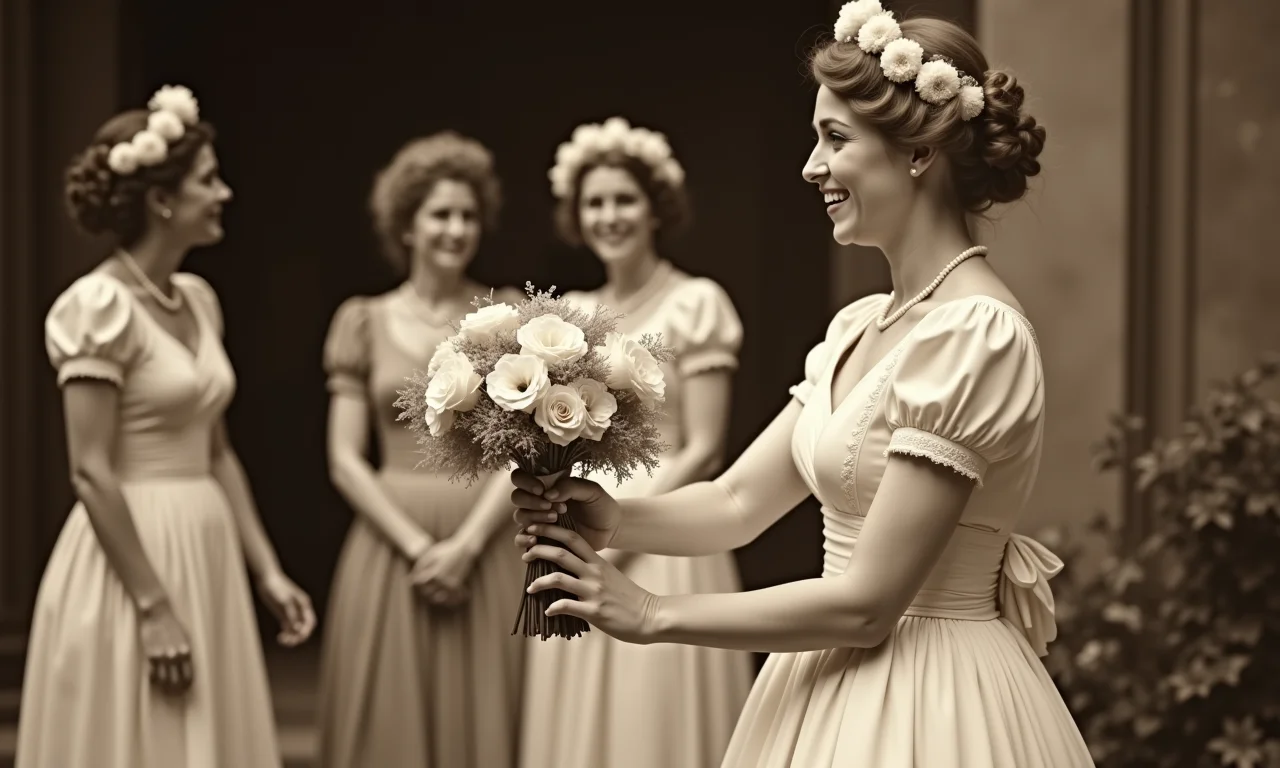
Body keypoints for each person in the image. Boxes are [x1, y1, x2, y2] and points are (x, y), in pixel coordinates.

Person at [512, 6, 1096, 767]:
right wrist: (613, 518)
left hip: (927, 699)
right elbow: (736, 503)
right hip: (821, 687)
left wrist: (654, 611)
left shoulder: (975, 335)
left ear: (918, 152)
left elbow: (865, 606)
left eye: (836, 139)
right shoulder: (858, 326)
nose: (810, 166)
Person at [17, 85, 315, 768]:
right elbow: (89, 468)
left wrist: (266, 571)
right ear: (162, 200)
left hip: (205, 540)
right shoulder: (99, 306)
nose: (225, 194)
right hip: (134, 552)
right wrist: (152, 607)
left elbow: (218, 451)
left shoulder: (200, 301)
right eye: (209, 180)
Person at [519, 117, 754, 768]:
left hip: (669, 528)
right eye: (594, 202)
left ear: (656, 210)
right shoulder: (569, 315)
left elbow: (705, 446)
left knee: (654, 719)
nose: (609, 215)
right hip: (578, 524)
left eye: (624, 199)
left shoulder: (696, 303)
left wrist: (627, 525)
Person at [314, 131, 525, 768]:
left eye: (467, 215)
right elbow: (344, 458)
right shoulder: (362, 321)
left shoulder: (506, 319)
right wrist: (419, 549)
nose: (456, 229)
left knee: (488, 720)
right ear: (406, 225)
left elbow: (521, 452)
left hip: (484, 544)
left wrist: (463, 549)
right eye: (440, 214)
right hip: (391, 547)